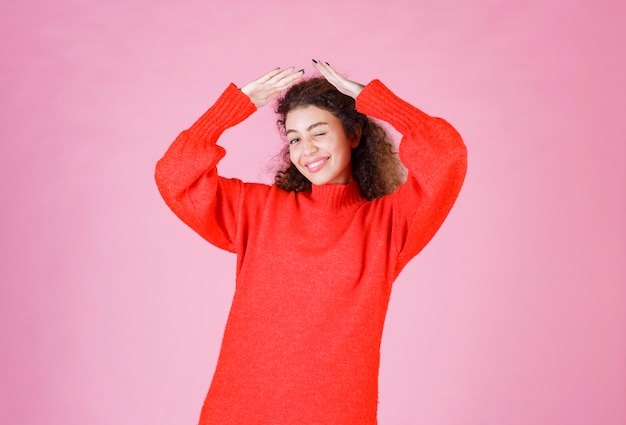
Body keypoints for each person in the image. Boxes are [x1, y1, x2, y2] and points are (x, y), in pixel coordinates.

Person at [155, 60, 467, 425]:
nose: (308, 150)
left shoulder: (388, 225)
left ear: (353, 134)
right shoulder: (257, 210)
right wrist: (231, 109)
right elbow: (174, 176)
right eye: (295, 138)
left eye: (319, 132)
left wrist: (376, 101)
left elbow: (447, 158)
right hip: (238, 410)